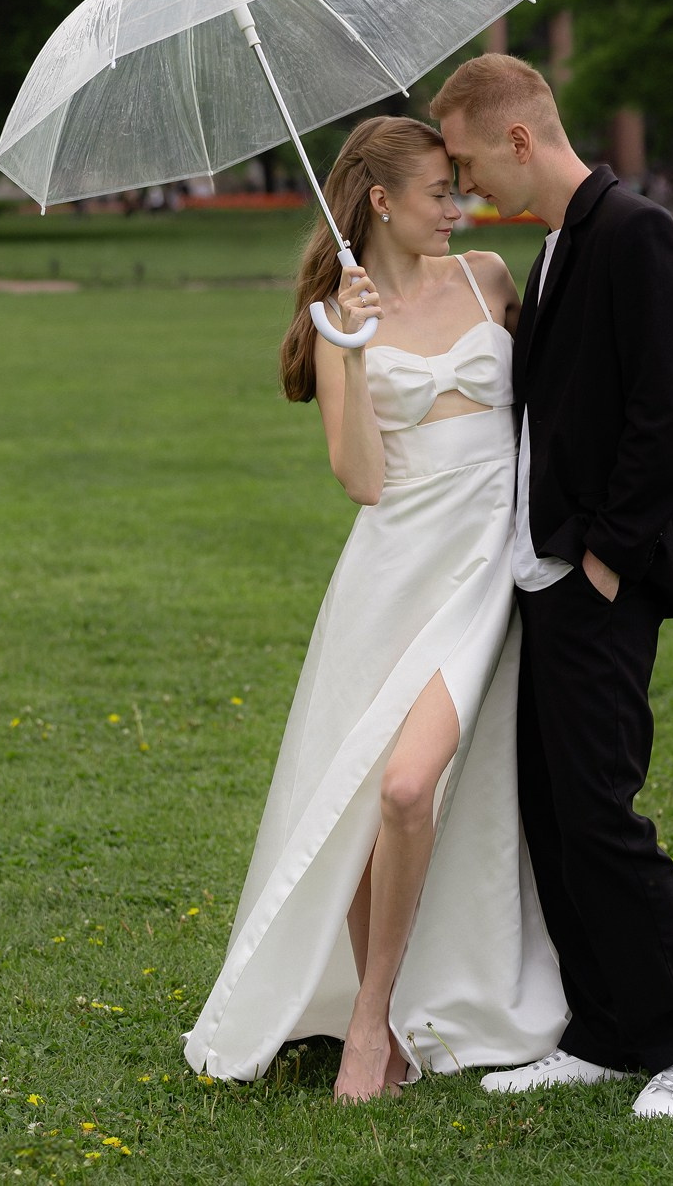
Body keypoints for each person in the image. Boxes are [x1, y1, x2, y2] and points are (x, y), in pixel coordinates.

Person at [184, 115, 566, 1100]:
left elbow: (554, 406)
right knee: (371, 793)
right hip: (392, 568)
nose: (461, 206)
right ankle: (373, 1021)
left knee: (409, 788)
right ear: (384, 202)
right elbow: (360, 480)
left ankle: (374, 1012)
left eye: (459, 187)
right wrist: (350, 348)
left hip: (489, 562)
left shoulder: (488, 277)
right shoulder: (332, 317)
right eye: (440, 192)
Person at [431, 55, 673, 1119]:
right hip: (545, 574)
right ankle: (604, 1031)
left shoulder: (636, 232)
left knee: (601, 810)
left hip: (600, 576)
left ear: (519, 138)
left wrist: (605, 555)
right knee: (554, 813)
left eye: (470, 163)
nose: (470, 188)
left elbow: (670, 413)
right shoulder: (560, 246)